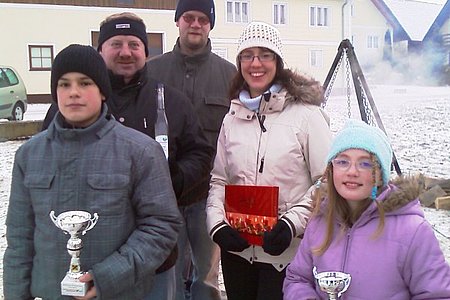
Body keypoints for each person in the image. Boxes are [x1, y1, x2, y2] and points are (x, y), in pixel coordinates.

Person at [41, 12, 215, 300]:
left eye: (134, 45)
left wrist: (171, 181)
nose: (125, 52)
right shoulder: (71, 107)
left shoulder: (170, 101)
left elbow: (200, 153)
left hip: (155, 258)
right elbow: (47, 162)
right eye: (116, 44)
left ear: (145, 52)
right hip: (92, 254)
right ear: (100, 51)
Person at [3, 44, 183, 300]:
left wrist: (108, 277)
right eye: (64, 84)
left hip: (121, 293)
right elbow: (20, 239)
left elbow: (161, 226)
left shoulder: (140, 151)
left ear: (102, 92)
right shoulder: (30, 155)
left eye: (85, 83)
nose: (73, 92)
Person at [205, 21, 332, 300]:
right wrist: (217, 226)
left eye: (265, 54)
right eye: (248, 55)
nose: (256, 63)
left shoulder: (306, 116)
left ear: (278, 62)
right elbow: (219, 180)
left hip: (285, 254)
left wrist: (290, 225)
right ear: (239, 63)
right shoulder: (232, 117)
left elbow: (327, 182)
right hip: (237, 251)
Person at [283, 119, 450, 299]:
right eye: (342, 162)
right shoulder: (319, 221)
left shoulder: (413, 231)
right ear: (331, 170)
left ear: (380, 175)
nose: (352, 171)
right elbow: (298, 278)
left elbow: (437, 295)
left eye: (365, 163)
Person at [147, 1, 237, 299]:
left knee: (207, 276)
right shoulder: (151, 71)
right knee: (165, 273)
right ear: (178, 22)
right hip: (161, 196)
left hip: (209, 198)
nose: (195, 24)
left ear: (210, 24)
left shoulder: (229, 76)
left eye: (202, 19)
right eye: (188, 17)